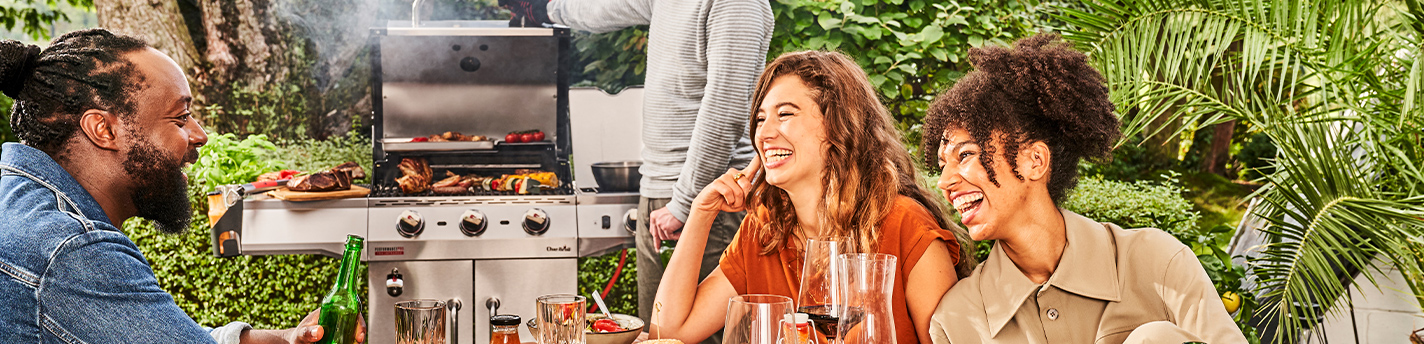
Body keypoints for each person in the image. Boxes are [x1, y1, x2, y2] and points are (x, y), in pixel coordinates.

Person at [0, 29, 364, 344]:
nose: (200, 135)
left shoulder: (20, 202)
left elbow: (156, 331)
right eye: (180, 117)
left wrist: (284, 339)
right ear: (104, 129)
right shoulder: (72, 252)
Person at [923, 34, 1247, 344]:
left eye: (964, 155)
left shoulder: (1158, 263)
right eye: (942, 165)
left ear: (1034, 161)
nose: (945, 181)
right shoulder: (956, 322)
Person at [648, 50, 977, 344]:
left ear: (837, 126)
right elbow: (669, 333)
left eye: (785, 114)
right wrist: (700, 214)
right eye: (761, 119)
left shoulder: (904, 225)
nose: (763, 133)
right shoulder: (763, 232)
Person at [500, 0, 773, 330]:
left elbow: (725, 109)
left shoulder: (738, 4)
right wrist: (543, 10)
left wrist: (684, 203)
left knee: (700, 336)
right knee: (657, 333)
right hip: (659, 191)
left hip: (714, 201)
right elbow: (603, 9)